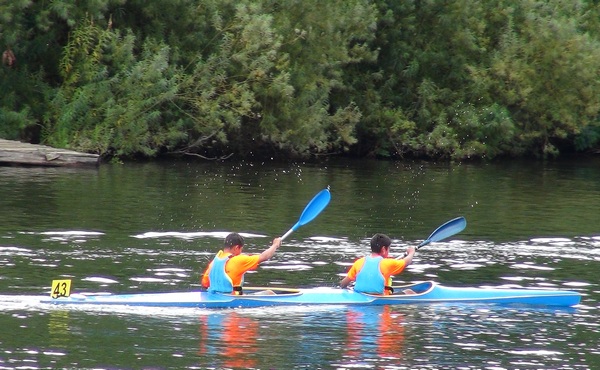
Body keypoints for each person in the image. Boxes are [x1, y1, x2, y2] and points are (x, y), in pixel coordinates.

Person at [201, 232, 282, 294]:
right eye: (241, 249)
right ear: (236, 247)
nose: (240, 253)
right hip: (232, 300)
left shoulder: (214, 263)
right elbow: (264, 257)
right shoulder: (239, 260)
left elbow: (205, 284)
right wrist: (275, 245)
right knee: (269, 293)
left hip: (215, 296)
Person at [339, 233, 415, 295]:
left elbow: (343, 284)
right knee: (409, 292)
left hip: (360, 295)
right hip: (380, 300)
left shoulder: (359, 262)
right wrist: (411, 252)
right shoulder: (388, 263)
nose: (389, 252)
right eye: (389, 249)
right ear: (383, 249)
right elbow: (406, 262)